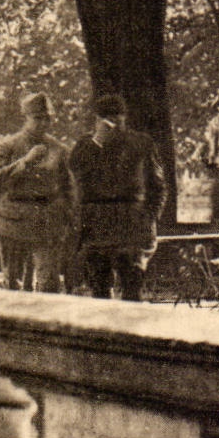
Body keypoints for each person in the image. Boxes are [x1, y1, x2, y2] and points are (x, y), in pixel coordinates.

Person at [68, 93, 167, 301]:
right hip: (97, 225)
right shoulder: (86, 146)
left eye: (118, 119)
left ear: (125, 119)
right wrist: (97, 143)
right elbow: (76, 177)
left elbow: (158, 186)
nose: (113, 125)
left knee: (132, 288)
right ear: (97, 120)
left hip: (131, 223)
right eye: (107, 119)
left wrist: (149, 218)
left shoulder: (141, 143)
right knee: (99, 290)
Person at [0, 92, 71, 292]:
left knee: (49, 283)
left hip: (47, 221)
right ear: (25, 118)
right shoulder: (8, 145)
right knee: (14, 284)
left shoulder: (58, 149)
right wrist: (24, 162)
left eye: (47, 118)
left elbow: (69, 187)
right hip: (14, 220)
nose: (43, 123)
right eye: (37, 118)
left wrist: (67, 215)